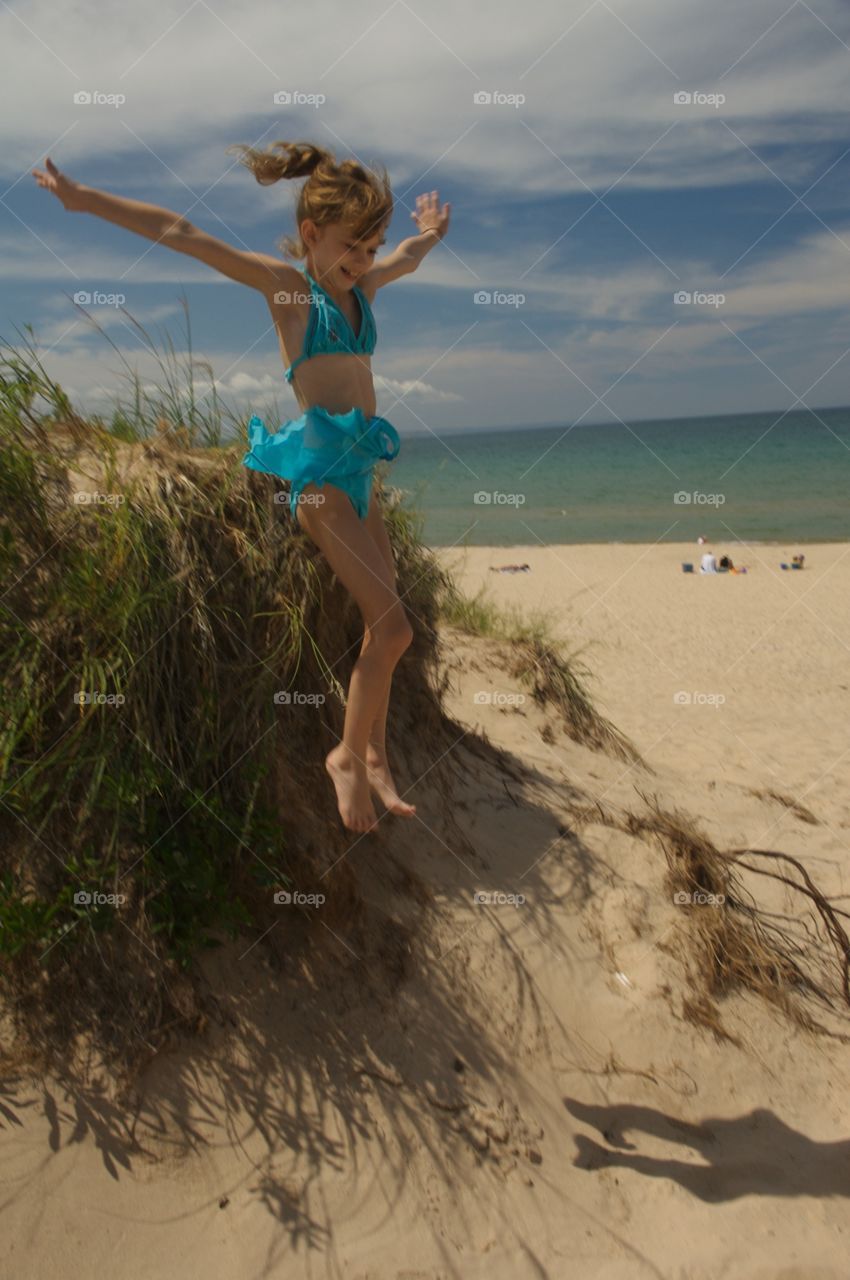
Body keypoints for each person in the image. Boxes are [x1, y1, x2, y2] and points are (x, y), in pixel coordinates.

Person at [32, 144, 450, 834]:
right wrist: (87, 200)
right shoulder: (288, 289)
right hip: (319, 481)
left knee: (391, 622)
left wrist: (428, 236)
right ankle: (345, 756)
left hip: (361, 474)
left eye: (370, 248)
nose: (365, 261)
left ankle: (374, 751)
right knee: (393, 626)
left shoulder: (363, 292)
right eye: (352, 247)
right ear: (312, 236)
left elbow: (407, 256)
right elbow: (186, 235)